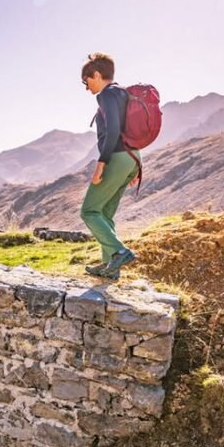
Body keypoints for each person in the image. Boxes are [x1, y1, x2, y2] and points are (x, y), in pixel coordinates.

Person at [81, 53, 140, 279]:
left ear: (97, 74)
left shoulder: (106, 94)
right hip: (132, 157)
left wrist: (101, 163)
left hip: (117, 156)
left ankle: (119, 252)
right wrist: (134, 166)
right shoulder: (123, 93)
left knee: (89, 211)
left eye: (86, 81)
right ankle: (109, 267)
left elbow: (113, 130)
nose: (86, 87)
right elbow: (129, 130)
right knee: (105, 213)